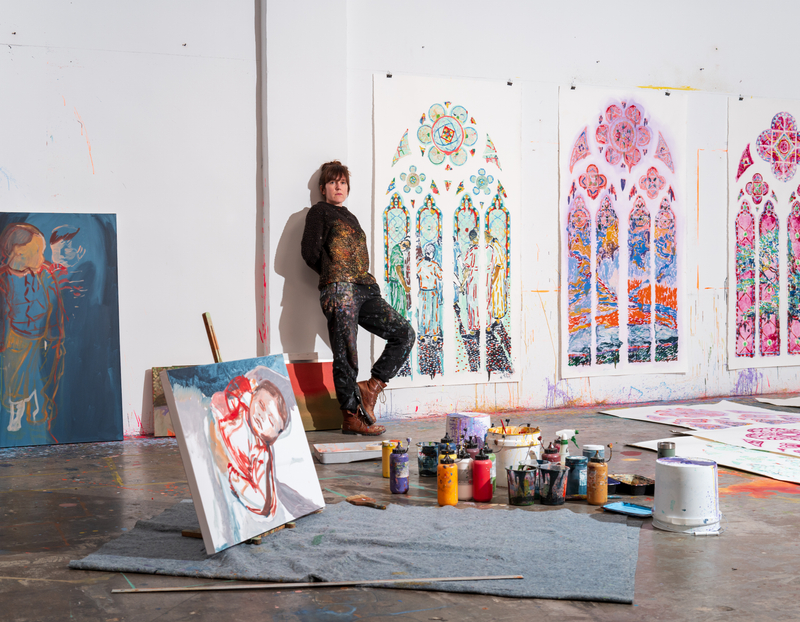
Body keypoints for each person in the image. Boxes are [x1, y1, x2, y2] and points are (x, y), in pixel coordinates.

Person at [301, 161, 415, 435]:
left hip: (365, 288)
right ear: (323, 188)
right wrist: (333, 276)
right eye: (332, 182)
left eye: (342, 182)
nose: (338, 186)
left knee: (404, 333)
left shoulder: (350, 216)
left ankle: (371, 387)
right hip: (340, 289)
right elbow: (309, 253)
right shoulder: (319, 212)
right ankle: (351, 418)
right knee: (347, 353)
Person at [0, 223, 65, 440]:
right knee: (16, 379)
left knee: (40, 376)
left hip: (42, 338)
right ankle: (16, 415)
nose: (42, 257)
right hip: (15, 339)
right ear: (19, 251)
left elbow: (54, 309)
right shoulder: (3, 279)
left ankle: (38, 411)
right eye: (38, 251)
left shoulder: (45, 274)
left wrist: (54, 337)